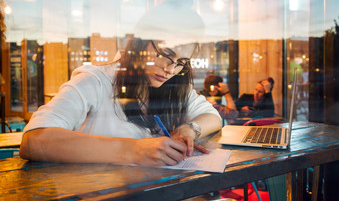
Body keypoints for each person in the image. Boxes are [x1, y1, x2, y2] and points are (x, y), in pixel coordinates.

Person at [20, 39, 222, 166]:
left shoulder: (174, 88)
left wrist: (189, 129)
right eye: (165, 54)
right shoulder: (96, 80)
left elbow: (213, 117)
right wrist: (134, 150)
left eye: (181, 63)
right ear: (140, 43)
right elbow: (34, 140)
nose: (170, 69)